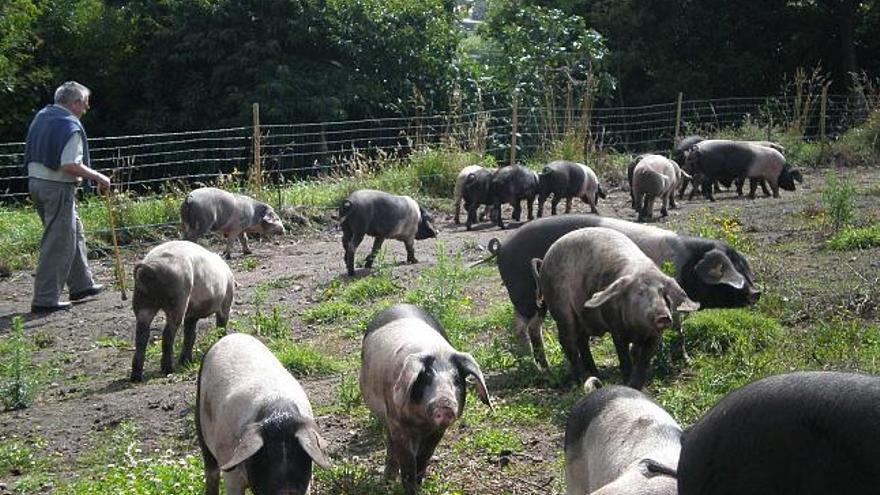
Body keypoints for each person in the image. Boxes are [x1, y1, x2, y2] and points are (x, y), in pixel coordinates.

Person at [24, 81, 111, 313]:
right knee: (58, 242)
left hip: (37, 184)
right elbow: (70, 164)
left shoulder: (43, 116)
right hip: (57, 188)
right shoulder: (69, 126)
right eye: (85, 105)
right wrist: (98, 177)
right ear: (75, 103)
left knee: (73, 231)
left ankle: (81, 285)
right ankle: (45, 299)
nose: (86, 110)